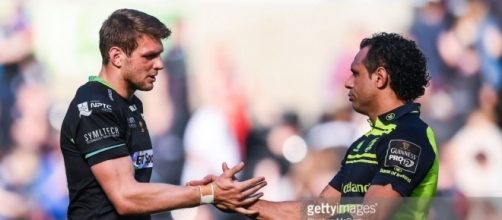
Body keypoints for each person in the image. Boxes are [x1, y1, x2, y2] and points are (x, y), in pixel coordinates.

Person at [59, 8, 266, 219]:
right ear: (116, 56)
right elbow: (125, 196)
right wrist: (207, 194)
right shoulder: (94, 107)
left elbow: (139, 190)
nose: (160, 64)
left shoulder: (130, 105)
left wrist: (196, 190)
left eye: (159, 54)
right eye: (149, 56)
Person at [218, 32, 438, 219]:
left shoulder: (409, 136)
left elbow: (372, 214)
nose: (347, 82)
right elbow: (318, 210)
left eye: (356, 73)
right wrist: (240, 201)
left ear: (379, 77)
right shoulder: (363, 144)